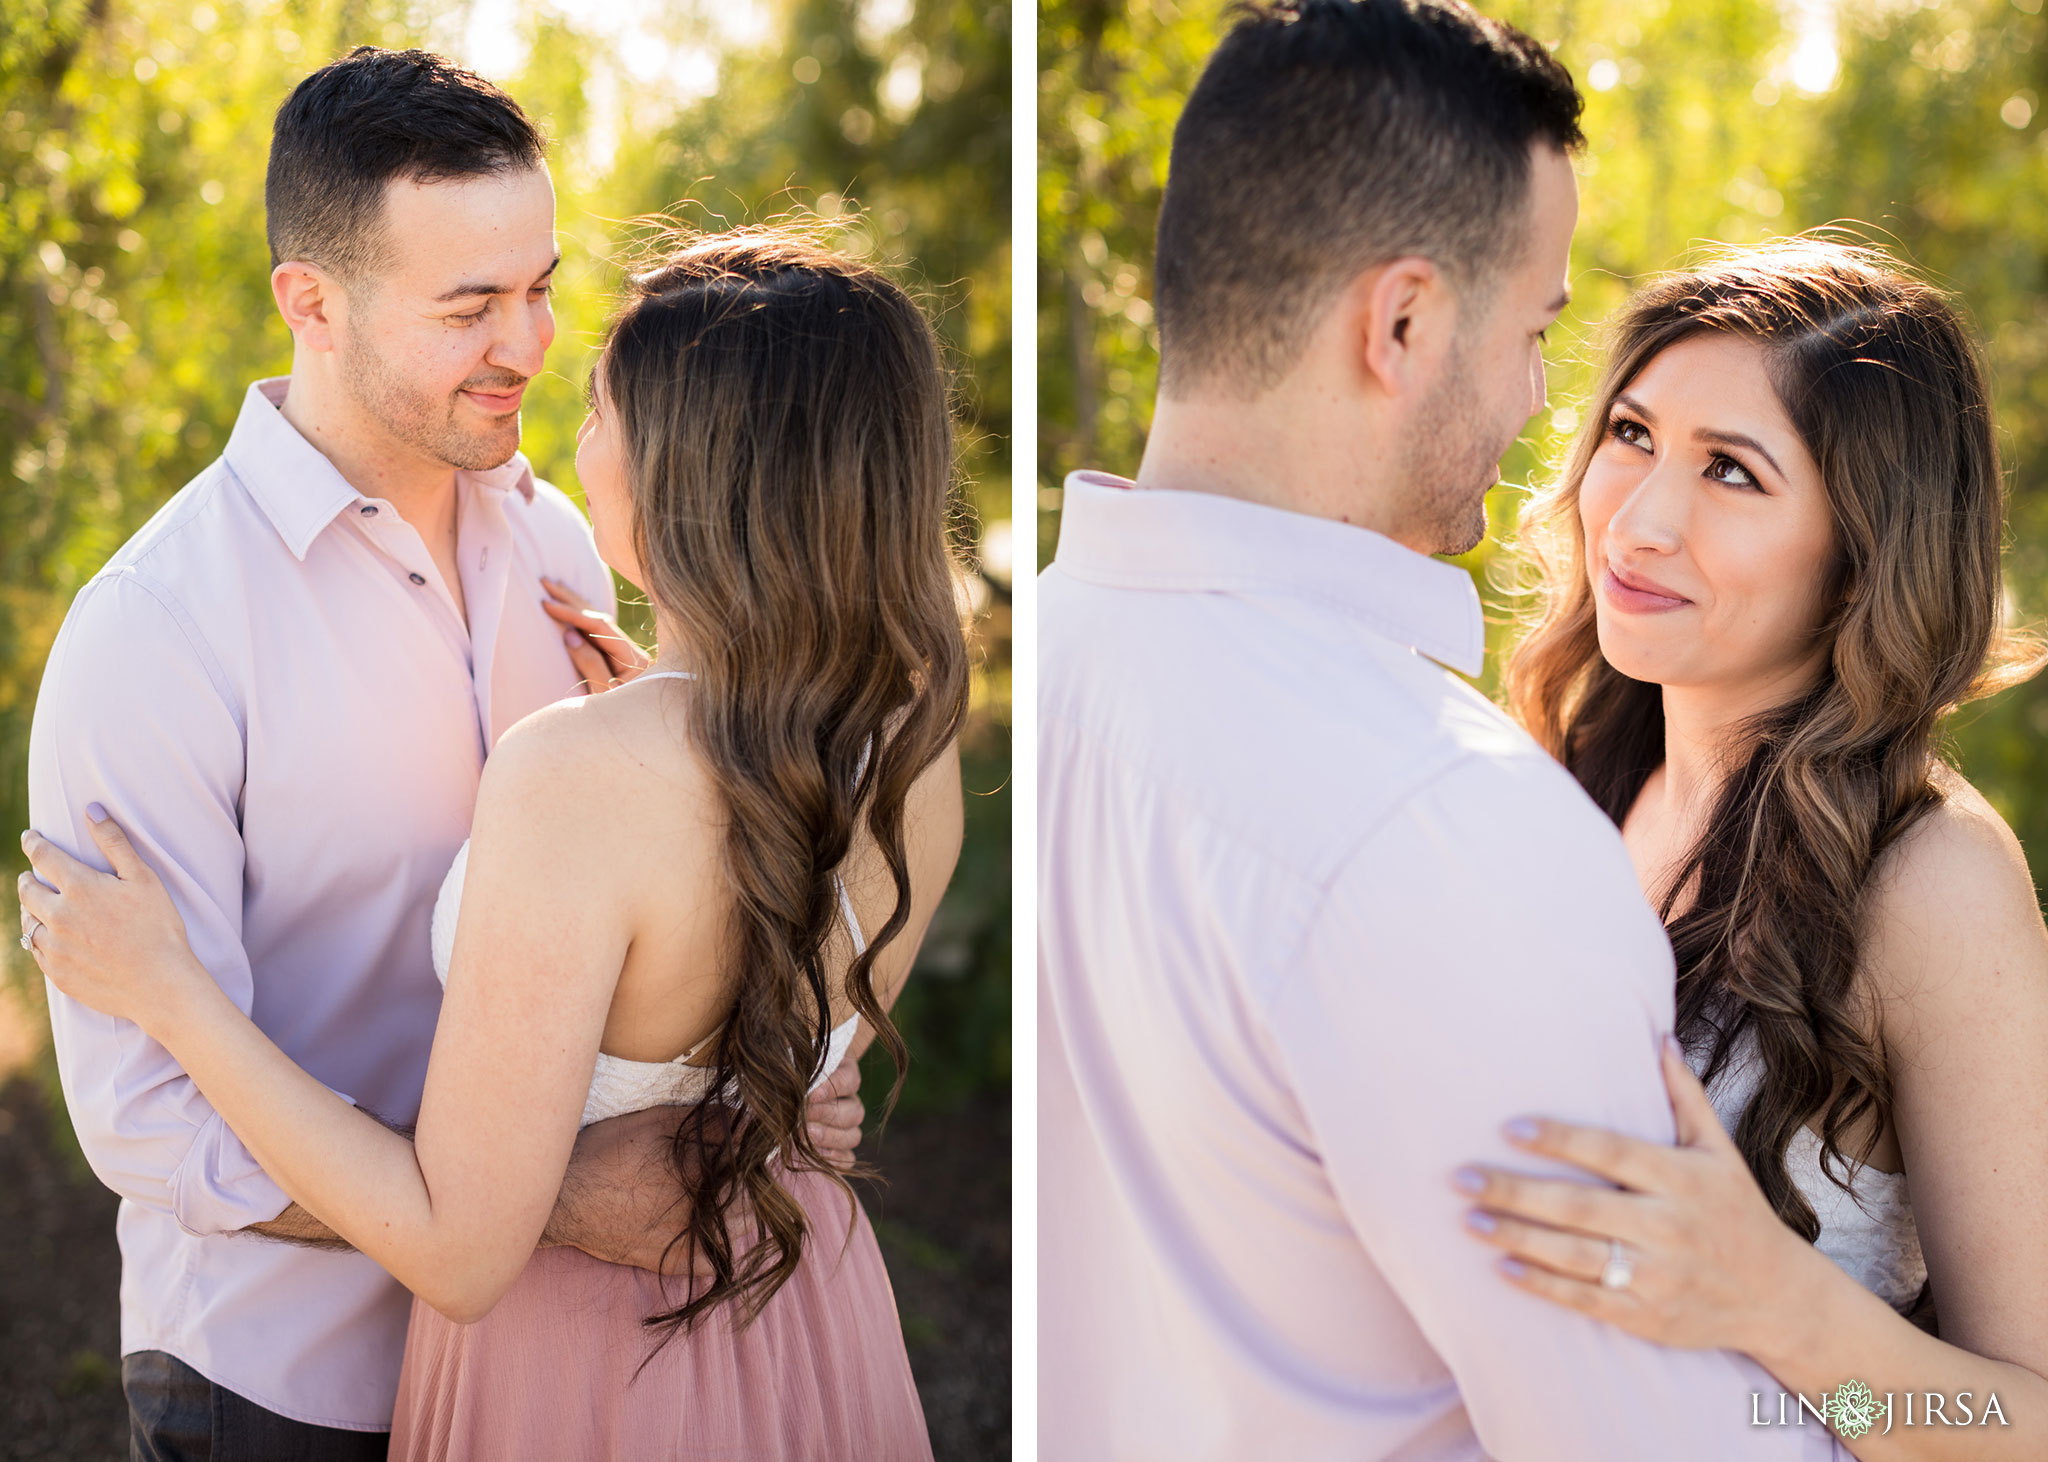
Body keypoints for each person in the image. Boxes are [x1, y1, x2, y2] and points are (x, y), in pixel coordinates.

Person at [15, 48, 867, 1458]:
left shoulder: (562, 543)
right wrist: (529, 1196)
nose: (527, 344)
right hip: (281, 1379)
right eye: (469, 306)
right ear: (313, 304)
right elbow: (141, 1114)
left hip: (553, 1365)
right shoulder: (157, 633)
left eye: (536, 288)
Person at [1038, 3, 1832, 1456]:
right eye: (1535, 329)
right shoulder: (1449, 819)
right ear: (1401, 322)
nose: (1546, 404)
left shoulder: (1048, 658)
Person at [1452, 240, 2048, 1455]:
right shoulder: (1560, 776)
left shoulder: (1928, 877)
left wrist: (1772, 1301)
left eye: (1730, 470)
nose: (1639, 519)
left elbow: (2024, 1422)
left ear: (1862, 547)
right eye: (1630, 434)